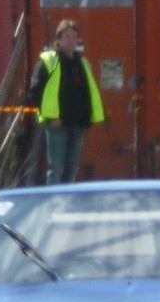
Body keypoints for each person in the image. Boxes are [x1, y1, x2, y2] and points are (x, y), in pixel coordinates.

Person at [26, 18, 103, 185]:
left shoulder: (83, 63)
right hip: (57, 125)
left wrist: (87, 118)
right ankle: (52, 206)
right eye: (67, 37)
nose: (71, 41)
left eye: (74, 37)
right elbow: (34, 92)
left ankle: (66, 207)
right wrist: (51, 118)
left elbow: (87, 93)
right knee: (57, 169)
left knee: (72, 169)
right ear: (58, 39)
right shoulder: (49, 61)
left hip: (78, 124)